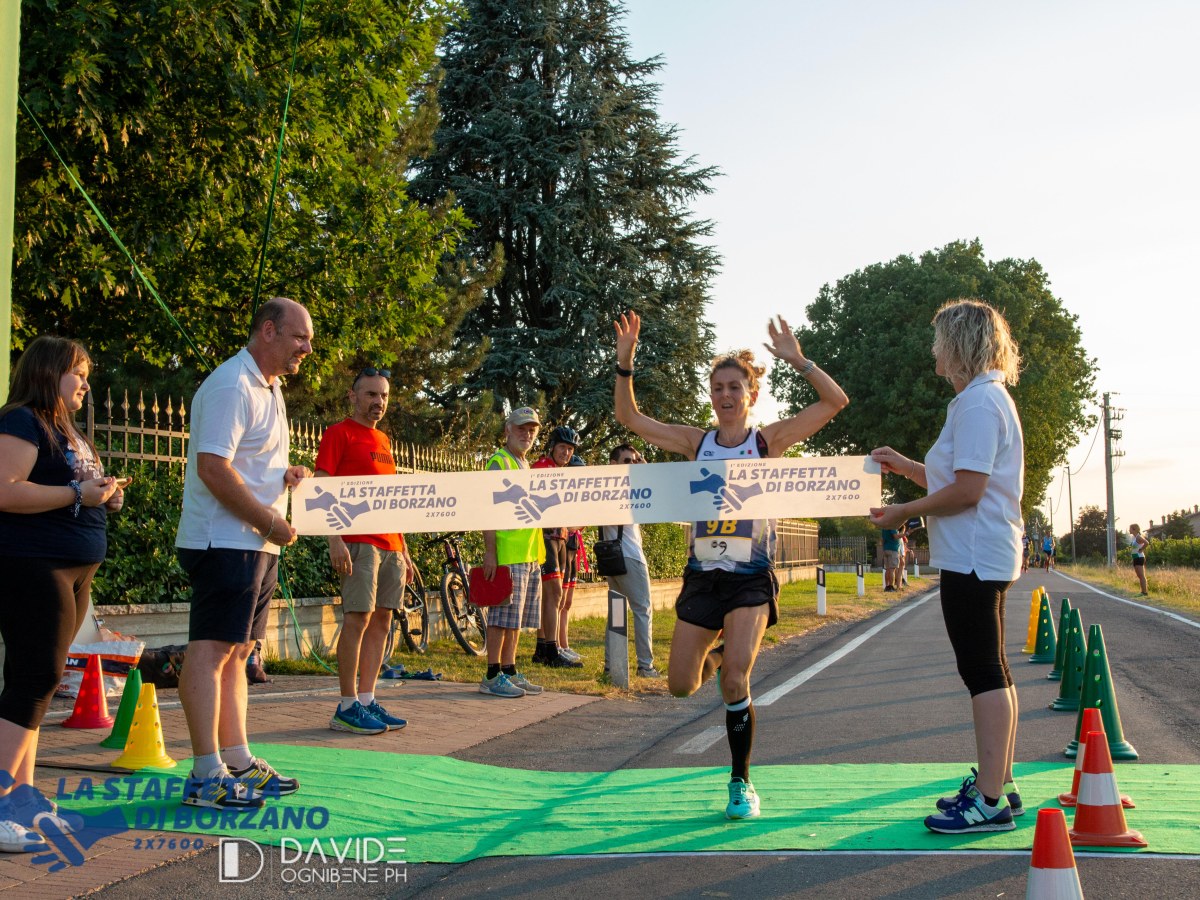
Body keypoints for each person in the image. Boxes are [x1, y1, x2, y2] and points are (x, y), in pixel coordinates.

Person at [614, 311, 848, 820]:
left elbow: (835, 402)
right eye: (718, 387)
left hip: (749, 579)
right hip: (702, 576)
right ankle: (717, 659)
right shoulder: (694, 442)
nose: (725, 395)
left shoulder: (767, 443)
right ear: (711, 394)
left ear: (751, 395)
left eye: (734, 387)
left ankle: (740, 782)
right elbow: (631, 420)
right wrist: (625, 364)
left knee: (738, 680)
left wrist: (799, 360)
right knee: (680, 684)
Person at [869, 298, 1024, 835]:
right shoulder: (978, 401)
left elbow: (968, 490)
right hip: (983, 552)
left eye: (938, 338)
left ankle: (988, 801)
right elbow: (955, 477)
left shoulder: (980, 404)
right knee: (993, 669)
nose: (932, 348)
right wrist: (905, 466)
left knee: (982, 671)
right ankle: (997, 782)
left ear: (959, 344)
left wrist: (903, 512)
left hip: (974, 555)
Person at [174, 297, 314, 809]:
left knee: (238, 653)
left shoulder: (270, 388)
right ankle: (205, 773)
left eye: (309, 340)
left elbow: (247, 464)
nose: (307, 349)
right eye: (300, 338)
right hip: (224, 541)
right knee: (211, 653)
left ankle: (236, 760)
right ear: (268, 330)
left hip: (253, 542)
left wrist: (286, 476)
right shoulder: (233, 383)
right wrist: (269, 520)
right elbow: (213, 467)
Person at [0, 336, 121, 851]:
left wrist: (105, 496)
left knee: (43, 681)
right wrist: (77, 493)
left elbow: (73, 488)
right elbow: (5, 488)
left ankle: (22, 795)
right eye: (78, 373)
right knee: (34, 676)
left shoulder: (64, 428)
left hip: (72, 566)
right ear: (50, 373)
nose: (86, 384)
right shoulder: (21, 420)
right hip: (33, 564)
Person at [315, 368, 412, 735]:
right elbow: (322, 487)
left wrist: (403, 547)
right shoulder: (338, 434)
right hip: (358, 541)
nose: (378, 402)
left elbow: (391, 499)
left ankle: (368, 700)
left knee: (383, 621)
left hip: (390, 545)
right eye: (371, 394)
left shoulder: (384, 440)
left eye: (383, 396)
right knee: (357, 619)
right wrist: (334, 538)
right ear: (352, 397)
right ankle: (346, 706)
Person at [479, 407, 546, 698]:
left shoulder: (524, 464)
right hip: (508, 552)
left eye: (531, 429)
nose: (526, 434)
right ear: (507, 429)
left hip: (529, 553)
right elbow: (487, 509)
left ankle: (509, 670)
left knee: (516, 620)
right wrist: (490, 552)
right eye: (521, 428)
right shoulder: (499, 462)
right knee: (502, 616)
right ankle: (492, 674)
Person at [600, 444, 658, 678]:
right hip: (630, 556)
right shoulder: (626, 489)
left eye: (635, 461)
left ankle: (611, 665)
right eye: (627, 461)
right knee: (642, 610)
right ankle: (645, 666)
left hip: (610, 558)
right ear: (613, 464)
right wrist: (644, 469)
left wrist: (639, 468)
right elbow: (655, 490)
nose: (632, 465)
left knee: (616, 611)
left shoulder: (602, 490)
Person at [530, 426, 583, 668]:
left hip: (561, 536)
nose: (566, 453)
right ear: (552, 446)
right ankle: (551, 650)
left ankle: (543, 648)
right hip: (546, 536)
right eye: (563, 447)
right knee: (554, 594)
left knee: (553, 596)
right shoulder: (542, 468)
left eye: (570, 449)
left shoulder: (563, 472)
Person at [1128, 524, 1149, 596]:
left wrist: (1142, 549)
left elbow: (1146, 543)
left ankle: (1144, 592)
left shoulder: (1138, 537)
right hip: (1135, 557)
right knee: (1139, 575)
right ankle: (1142, 591)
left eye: (1130, 529)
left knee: (1141, 575)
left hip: (1139, 557)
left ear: (1134, 529)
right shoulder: (1134, 538)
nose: (1129, 530)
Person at [881, 526, 901, 591]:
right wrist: (905, 534)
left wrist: (884, 548)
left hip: (886, 549)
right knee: (892, 569)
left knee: (887, 569)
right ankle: (891, 586)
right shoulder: (893, 527)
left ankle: (887, 586)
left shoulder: (884, 528)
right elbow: (895, 536)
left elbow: (883, 540)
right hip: (893, 549)